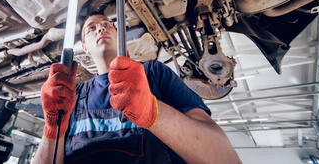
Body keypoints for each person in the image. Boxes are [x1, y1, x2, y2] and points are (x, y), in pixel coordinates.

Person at [33, 13, 241, 163]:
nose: (101, 28)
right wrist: (52, 129)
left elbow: (224, 157)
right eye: (92, 28)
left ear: (119, 34)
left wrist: (152, 112)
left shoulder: (154, 74)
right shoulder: (71, 97)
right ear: (85, 47)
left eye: (107, 24)